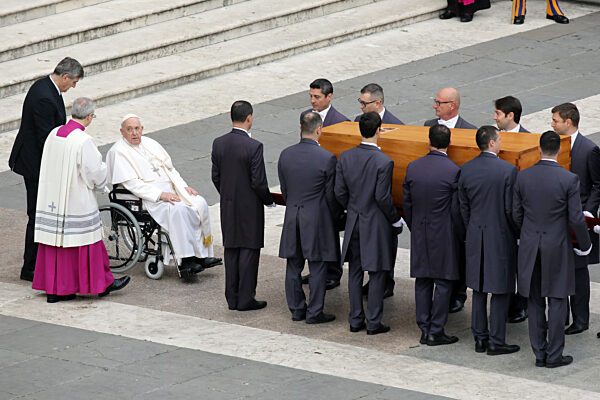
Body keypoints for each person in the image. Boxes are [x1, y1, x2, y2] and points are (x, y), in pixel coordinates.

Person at [32, 97, 130, 303]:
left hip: (53, 199)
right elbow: (94, 172)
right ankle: (101, 283)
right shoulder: (83, 141)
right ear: (89, 116)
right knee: (87, 241)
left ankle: (56, 290)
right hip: (76, 200)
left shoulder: (53, 133)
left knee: (55, 243)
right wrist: (104, 176)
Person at [106, 114, 222, 279]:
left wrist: (183, 187)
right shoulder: (118, 151)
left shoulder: (151, 143)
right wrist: (160, 195)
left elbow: (170, 170)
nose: (134, 133)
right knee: (179, 209)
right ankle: (186, 261)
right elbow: (132, 184)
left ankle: (201, 255)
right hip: (146, 198)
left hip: (170, 191)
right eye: (129, 129)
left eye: (137, 128)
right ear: (122, 132)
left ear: (142, 129)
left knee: (198, 203)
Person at [513, 131, 591, 368]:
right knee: (557, 299)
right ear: (558, 150)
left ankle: (539, 354)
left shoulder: (523, 177)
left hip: (530, 246)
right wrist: (585, 245)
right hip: (556, 247)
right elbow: (576, 218)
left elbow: (516, 213)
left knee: (535, 300)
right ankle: (554, 355)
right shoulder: (569, 179)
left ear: (539, 149)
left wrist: (525, 235)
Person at [9, 57, 84, 282]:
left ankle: (38, 262)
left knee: (40, 213)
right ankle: (30, 267)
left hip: (37, 159)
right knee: (37, 214)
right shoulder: (44, 97)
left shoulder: (47, 88)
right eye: (73, 82)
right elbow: (47, 138)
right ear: (64, 77)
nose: (73, 87)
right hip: (34, 164)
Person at [335, 112, 403, 335]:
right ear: (379, 130)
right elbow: (382, 197)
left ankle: (356, 319)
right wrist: (395, 219)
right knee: (376, 273)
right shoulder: (384, 161)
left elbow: (339, 191)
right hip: (375, 224)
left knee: (355, 271)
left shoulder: (345, 157)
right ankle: (373, 322)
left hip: (354, 220)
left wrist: (352, 207)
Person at [459, 126, 520, 356]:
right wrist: (516, 232)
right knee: (501, 288)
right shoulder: (507, 170)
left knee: (479, 288)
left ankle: (480, 338)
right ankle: (496, 339)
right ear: (493, 143)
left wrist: (472, 227)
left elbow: (463, 207)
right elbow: (510, 209)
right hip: (500, 235)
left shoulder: (466, 169)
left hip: (475, 233)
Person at [278, 112, 343, 324]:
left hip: (292, 216)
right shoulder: (327, 158)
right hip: (316, 218)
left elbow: (286, 191)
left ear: (300, 128)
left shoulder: (285, 154)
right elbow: (331, 195)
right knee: (317, 267)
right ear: (318, 130)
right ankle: (315, 312)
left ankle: (296, 309)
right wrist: (335, 218)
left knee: (293, 266)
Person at [403, 124, 462, 346]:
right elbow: (456, 209)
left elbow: (407, 204)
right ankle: (436, 330)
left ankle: (424, 326)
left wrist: (414, 224)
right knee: (444, 281)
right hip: (444, 233)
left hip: (420, 229)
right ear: (449, 144)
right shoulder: (453, 170)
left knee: (423, 280)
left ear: (428, 142)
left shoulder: (413, 167)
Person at [212, 101, 274, 311]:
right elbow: (258, 181)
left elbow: (216, 177)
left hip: (228, 205)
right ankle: (246, 298)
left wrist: (228, 194)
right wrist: (268, 200)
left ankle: (232, 297)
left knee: (231, 250)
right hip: (250, 207)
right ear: (249, 118)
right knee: (248, 249)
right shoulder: (254, 146)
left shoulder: (219, 143)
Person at [551, 103, 600, 335]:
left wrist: (588, 211)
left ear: (568, 122)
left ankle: (580, 319)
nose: (552, 124)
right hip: (557, 218)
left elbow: (598, 184)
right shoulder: (552, 146)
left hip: (579, 218)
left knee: (579, 271)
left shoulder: (589, 149)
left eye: (555, 120)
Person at [424, 87, 474, 313]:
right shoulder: (428, 126)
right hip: (434, 201)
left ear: (452, 106)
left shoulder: (470, 131)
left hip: (457, 203)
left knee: (459, 250)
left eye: (438, 102)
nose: (434, 106)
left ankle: (458, 294)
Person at [300, 79, 348, 289]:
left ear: (329, 97)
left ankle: (333, 273)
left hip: (331, 186)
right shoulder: (307, 117)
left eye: (317, 97)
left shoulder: (341, 122)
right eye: (311, 96)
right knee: (315, 232)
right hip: (312, 185)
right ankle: (317, 269)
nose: (313, 101)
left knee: (329, 232)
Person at [493, 95, 529, 323]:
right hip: (496, 212)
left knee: (521, 264)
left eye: (497, 113)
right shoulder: (491, 138)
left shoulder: (529, 141)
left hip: (518, 213)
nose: (494, 117)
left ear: (510, 116)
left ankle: (521, 303)